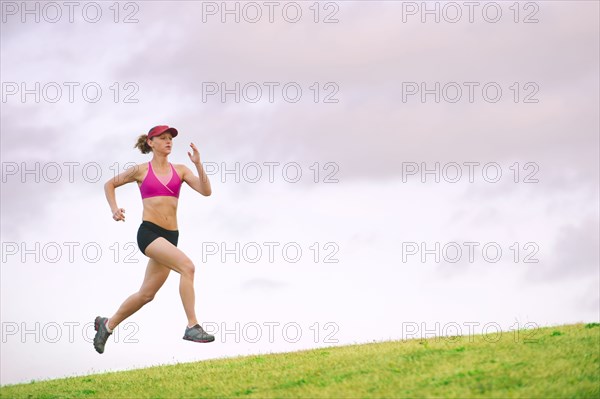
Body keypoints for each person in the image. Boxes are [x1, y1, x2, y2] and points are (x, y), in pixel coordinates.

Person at [93, 125, 214, 354]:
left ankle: (106, 325)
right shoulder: (140, 170)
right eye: (163, 138)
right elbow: (110, 184)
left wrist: (198, 164)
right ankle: (192, 326)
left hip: (171, 237)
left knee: (146, 294)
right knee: (187, 267)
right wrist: (114, 209)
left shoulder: (181, 170)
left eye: (170, 139)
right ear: (151, 142)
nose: (169, 141)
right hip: (149, 234)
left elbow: (206, 191)